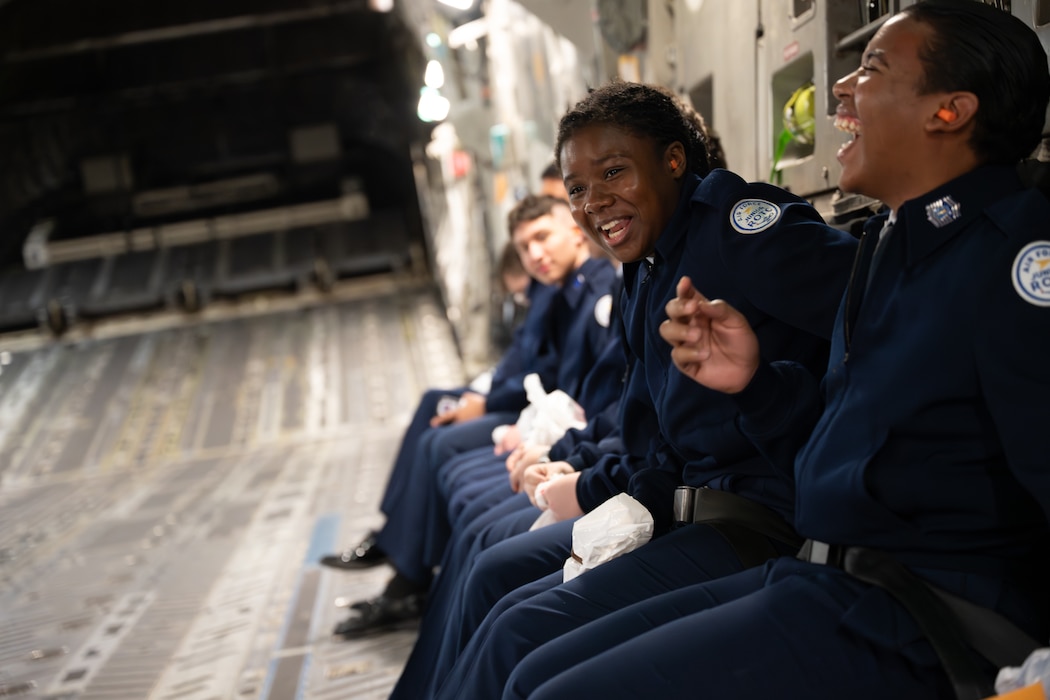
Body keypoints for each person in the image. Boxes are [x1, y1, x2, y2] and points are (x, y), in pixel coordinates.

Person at [494, 2, 1050, 698]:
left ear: (950, 111)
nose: (841, 89)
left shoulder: (1017, 260)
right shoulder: (889, 249)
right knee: (533, 670)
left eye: (872, 70)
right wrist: (752, 384)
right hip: (826, 576)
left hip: (926, 613)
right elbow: (847, 442)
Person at [431, 81, 859, 699]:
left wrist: (771, 397)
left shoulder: (739, 231)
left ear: (674, 160)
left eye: (613, 173)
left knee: (518, 638)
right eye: (577, 188)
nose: (593, 201)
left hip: (756, 521)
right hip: (676, 506)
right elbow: (647, 432)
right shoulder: (646, 266)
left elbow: (872, 318)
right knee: (504, 604)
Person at [331, 193, 619, 636]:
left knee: (454, 469)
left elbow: (592, 395)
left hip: (578, 439)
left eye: (542, 238)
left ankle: (410, 580)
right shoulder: (570, 289)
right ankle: (402, 556)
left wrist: (549, 444)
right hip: (564, 431)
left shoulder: (597, 291)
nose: (535, 254)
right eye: (525, 247)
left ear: (574, 230)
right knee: (447, 445)